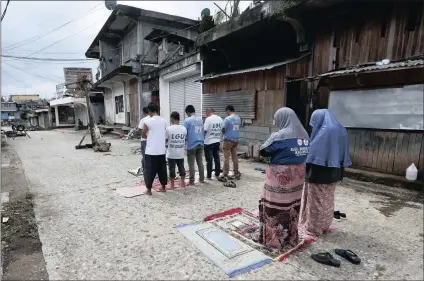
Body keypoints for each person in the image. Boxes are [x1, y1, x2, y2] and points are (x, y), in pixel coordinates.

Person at [258, 107, 309, 250]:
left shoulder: (279, 135)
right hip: (298, 175)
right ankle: (291, 236)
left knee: (275, 205)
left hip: (281, 175)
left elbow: (263, 150)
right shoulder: (304, 134)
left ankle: (274, 239)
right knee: (292, 204)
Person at [298, 109, 352, 241]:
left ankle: (313, 228)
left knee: (315, 200)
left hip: (319, 171)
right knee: (327, 199)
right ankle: (324, 225)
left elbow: (312, 153)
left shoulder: (324, 132)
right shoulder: (340, 129)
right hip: (334, 170)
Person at [141, 102, 167, 195]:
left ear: (149, 111)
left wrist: (150, 137)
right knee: (162, 169)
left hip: (151, 150)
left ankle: (149, 190)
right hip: (161, 150)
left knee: (150, 170)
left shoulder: (148, 121)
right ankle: (163, 187)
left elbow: (143, 134)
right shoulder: (163, 120)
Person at [183, 105, 205, 184]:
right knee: (200, 162)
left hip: (191, 144)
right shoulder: (200, 120)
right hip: (201, 143)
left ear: (188, 112)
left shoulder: (187, 121)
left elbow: (184, 132)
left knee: (191, 163)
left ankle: (191, 180)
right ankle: (201, 179)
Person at [219, 105, 241, 181]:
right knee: (235, 157)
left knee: (226, 158)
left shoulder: (227, 119)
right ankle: (236, 172)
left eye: (226, 111)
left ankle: (225, 173)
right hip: (236, 140)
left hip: (228, 140)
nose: (226, 113)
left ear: (228, 110)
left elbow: (223, 129)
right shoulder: (238, 118)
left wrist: (222, 136)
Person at [166, 111, 187, 189]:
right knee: (181, 167)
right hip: (180, 152)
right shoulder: (184, 128)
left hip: (171, 153)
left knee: (172, 169)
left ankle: (172, 185)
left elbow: (165, 139)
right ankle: (183, 183)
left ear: (171, 119)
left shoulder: (169, 129)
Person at [203, 108, 223, 180]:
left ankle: (209, 175)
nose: (205, 115)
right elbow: (222, 129)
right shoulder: (220, 118)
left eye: (206, 113)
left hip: (209, 142)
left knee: (209, 159)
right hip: (217, 141)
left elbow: (204, 131)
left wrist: (202, 138)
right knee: (216, 157)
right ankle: (217, 173)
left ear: (208, 112)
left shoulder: (208, 119)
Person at [138, 107, 150, 174]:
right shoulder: (153, 119)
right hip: (152, 140)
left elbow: (140, 129)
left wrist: (143, 136)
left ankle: (146, 170)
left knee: (144, 156)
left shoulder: (143, 120)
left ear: (144, 112)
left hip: (144, 140)